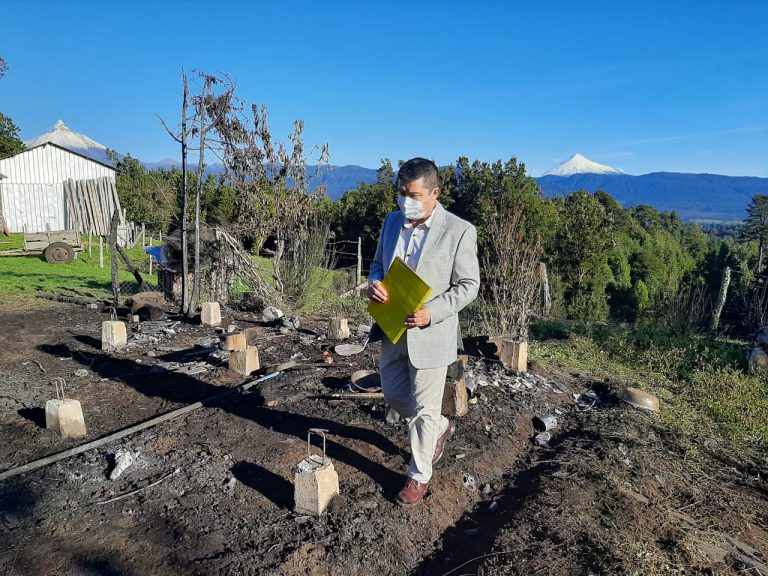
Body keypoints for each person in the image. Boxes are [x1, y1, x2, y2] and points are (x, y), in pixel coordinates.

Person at [368, 157, 480, 507]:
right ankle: (441, 427)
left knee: (423, 410)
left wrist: (431, 313)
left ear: (435, 192)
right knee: (395, 395)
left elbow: (469, 285)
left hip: (430, 332)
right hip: (392, 326)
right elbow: (376, 265)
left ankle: (418, 477)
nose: (406, 201)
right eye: (401, 193)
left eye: (413, 194)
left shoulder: (459, 230)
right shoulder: (391, 222)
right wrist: (374, 282)